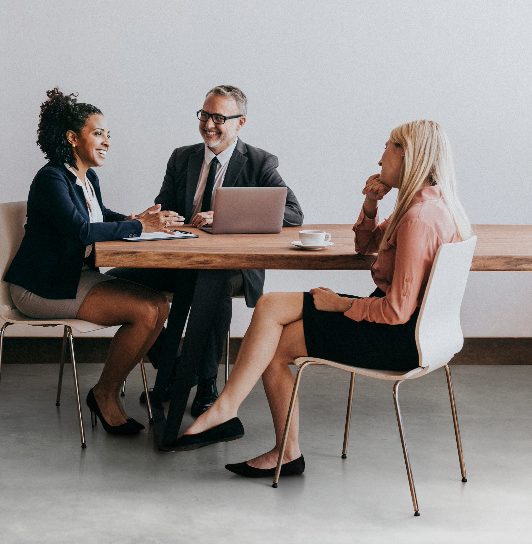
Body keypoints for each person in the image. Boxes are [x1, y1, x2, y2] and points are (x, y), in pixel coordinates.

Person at [167, 120, 472, 478]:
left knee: (276, 347)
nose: (379, 159)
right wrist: (371, 203)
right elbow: (365, 246)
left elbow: (396, 311)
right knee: (270, 305)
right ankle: (226, 409)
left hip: (397, 337)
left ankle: (281, 448)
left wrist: (341, 305)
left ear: (408, 155)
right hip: (418, 330)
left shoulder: (419, 219)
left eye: (388, 147)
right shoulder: (427, 205)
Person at [109, 85, 303, 416]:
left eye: (219, 118)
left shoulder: (258, 162)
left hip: (234, 268)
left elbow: (294, 214)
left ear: (240, 123)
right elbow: (165, 206)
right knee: (114, 282)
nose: (209, 124)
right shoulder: (182, 157)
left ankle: (208, 383)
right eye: (204, 115)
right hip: (180, 259)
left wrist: (228, 215)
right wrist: (157, 217)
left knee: (213, 285)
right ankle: (173, 367)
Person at [4, 88, 183, 435]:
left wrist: (137, 219)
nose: (106, 142)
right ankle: (104, 393)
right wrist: (137, 226)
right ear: (72, 137)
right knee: (146, 311)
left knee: (159, 304)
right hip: (40, 287)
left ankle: (111, 388)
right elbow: (81, 230)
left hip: (72, 277)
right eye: (98, 133)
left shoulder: (87, 177)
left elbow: (100, 216)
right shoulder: (51, 178)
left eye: (108, 135)